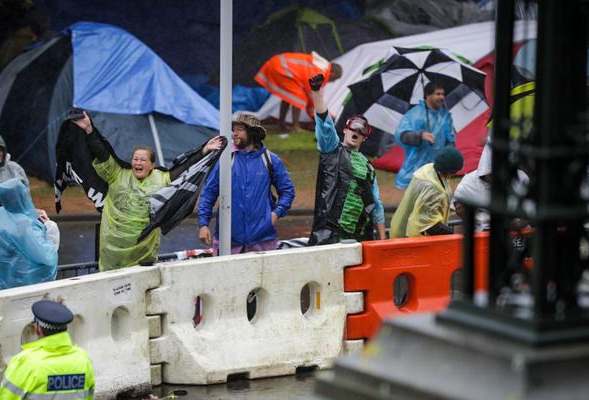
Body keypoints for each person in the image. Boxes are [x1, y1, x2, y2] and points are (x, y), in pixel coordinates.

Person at [73, 112, 225, 270]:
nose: (138, 162)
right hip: (112, 251)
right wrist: (89, 129)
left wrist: (204, 150)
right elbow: (102, 153)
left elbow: (185, 170)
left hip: (142, 254)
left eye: (143, 160)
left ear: (152, 165)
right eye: (135, 159)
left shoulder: (162, 178)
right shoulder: (117, 174)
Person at [197, 112, 296, 254]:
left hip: (263, 240)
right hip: (228, 240)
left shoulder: (270, 160)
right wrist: (203, 225)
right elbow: (208, 194)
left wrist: (273, 216)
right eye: (233, 130)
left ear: (252, 132)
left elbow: (288, 191)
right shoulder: (226, 160)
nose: (234, 134)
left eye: (239, 130)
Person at [307, 74, 386, 245]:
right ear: (345, 130)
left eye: (361, 131)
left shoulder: (368, 167)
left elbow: (376, 204)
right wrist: (317, 92)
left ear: (365, 138)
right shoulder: (333, 150)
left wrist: (382, 240)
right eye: (353, 128)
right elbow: (325, 124)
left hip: (359, 236)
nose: (356, 132)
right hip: (329, 235)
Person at [0, 178, 59, 289]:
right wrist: (50, 227)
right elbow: (46, 256)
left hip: (7, 283)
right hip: (31, 285)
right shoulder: (23, 224)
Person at [255, 52, 342, 132]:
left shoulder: (322, 68)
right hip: (281, 67)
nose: (333, 81)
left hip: (279, 64)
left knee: (290, 96)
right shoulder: (320, 73)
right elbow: (312, 97)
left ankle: (281, 123)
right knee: (299, 97)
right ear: (333, 73)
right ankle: (295, 127)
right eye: (335, 79)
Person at [390, 146, 464, 238]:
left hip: (402, 226)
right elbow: (430, 225)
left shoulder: (429, 169)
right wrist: (454, 235)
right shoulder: (432, 188)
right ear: (449, 171)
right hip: (410, 237)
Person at [394, 82, 456, 190]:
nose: (442, 97)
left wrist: (447, 161)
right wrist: (420, 135)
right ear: (428, 95)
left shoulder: (446, 117)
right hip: (413, 171)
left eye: (443, 94)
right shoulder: (414, 114)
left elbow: (450, 142)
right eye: (438, 94)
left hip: (437, 171)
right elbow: (402, 135)